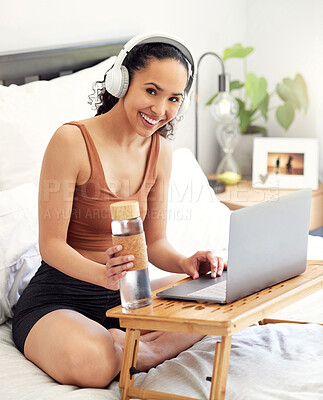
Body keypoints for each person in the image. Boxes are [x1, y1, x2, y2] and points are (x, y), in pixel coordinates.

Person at [12, 33, 226, 388]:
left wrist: (187, 262)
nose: (160, 110)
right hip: (59, 298)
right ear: (122, 81)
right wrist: (103, 275)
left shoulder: (161, 152)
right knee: (94, 363)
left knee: (210, 301)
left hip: (128, 294)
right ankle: (122, 347)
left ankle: (140, 351)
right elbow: (51, 246)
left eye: (173, 98)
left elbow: (155, 243)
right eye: (152, 91)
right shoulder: (72, 141)